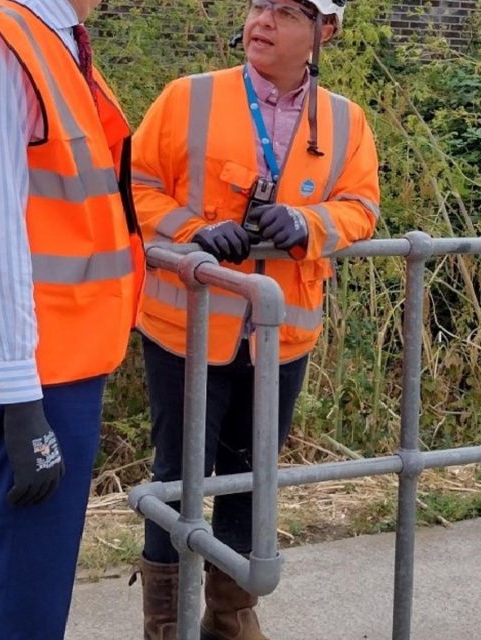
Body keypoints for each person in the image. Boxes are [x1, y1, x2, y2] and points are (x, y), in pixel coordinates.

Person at [129, 1, 379, 637]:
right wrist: (194, 232)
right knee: (178, 480)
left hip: (281, 336)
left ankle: (231, 619)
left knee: (253, 477)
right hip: (187, 327)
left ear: (325, 31)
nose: (261, 21)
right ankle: (166, 625)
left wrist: (307, 223)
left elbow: (360, 206)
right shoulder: (187, 98)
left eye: (286, 11)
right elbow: (134, 182)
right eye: (256, 5)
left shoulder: (347, 121)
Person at [0, 0, 143, 637]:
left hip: (53, 359)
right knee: (22, 589)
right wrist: (20, 398)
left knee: (1, 561)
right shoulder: (4, 42)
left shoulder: (54, 41)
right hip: (30, 367)